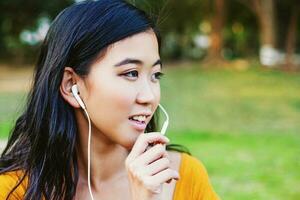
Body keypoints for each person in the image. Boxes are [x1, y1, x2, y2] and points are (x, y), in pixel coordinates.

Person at [0, 0, 220, 199]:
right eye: (131, 73)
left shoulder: (185, 177)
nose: (149, 96)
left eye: (155, 75)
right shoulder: (14, 190)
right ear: (71, 85)